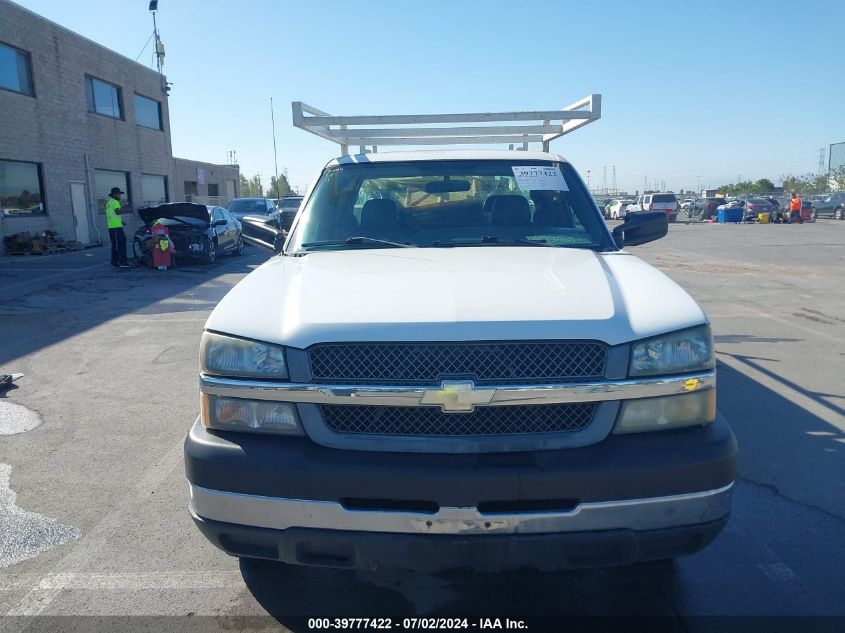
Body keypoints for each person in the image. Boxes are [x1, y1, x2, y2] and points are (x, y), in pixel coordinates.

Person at [105, 187, 131, 267]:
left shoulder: (109, 202)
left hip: (113, 226)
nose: (120, 196)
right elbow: (117, 212)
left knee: (116, 244)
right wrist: (126, 208)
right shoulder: (115, 202)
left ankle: (115, 262)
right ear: (114, 194)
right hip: (116, 227)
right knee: (121, 244)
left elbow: (112, 215)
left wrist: (121, 221)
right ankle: (122, 262)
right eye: (119, 194)